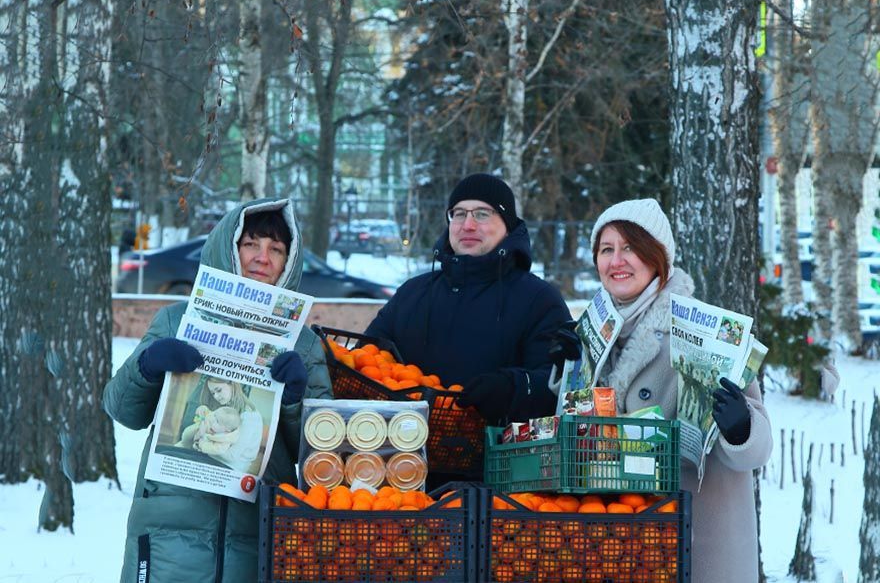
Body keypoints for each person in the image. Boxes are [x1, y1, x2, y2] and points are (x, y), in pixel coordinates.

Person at [102, 198, 332, 583]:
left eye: (276, 249)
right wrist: (148, 366)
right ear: (229, 248)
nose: (262, 257)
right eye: (251, 244)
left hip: (255, 531)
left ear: (289, 264)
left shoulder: (303, 346)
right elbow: (121, 408)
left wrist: (295, 399)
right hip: (168, 532)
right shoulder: (177, 319)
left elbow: (320, 458)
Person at [549, 198, 772, 583]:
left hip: (700, 544)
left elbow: (758, 450)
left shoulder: (703, 333)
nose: (616, 260)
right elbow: (576, 440)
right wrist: (566, 371)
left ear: (658, 257)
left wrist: (740, 427)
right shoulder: (592, 334)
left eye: (630, 247)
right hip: (623, 543)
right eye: (606, 250)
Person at [364, 173, 572, 485]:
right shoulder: (413, 293)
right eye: (458, 214)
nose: (468, 225)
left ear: (508, 225)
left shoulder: (539, 299)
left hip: (502, 485)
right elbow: (366, 361)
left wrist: (512, 387)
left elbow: (561, 386)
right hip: (404, 480)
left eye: (482, 213)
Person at [177, 405, 242, 455]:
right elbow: (206, 411)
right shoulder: (211, 418)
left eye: (217, 421)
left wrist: (202, 444)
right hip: (186, 442)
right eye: (215, 415)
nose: (213, 419)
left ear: (227, 430)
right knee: (178, 446)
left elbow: (218, 449)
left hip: (197, 451)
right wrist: (202, 409)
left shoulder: (224, 439)